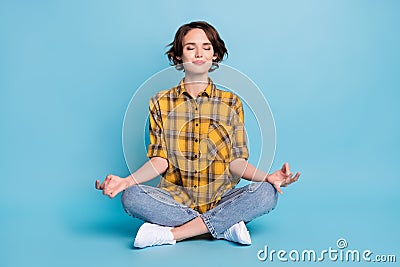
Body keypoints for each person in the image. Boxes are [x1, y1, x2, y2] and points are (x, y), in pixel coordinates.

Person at [95, 21, 300, 248]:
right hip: (175, 200)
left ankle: (173, 234)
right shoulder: (160, 102)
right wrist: (126, 181)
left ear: (215, 55)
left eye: (206, 47)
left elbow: (237, 162)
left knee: (266, 194)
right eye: (191, 47)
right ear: (179, 56)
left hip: (221, 198)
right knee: (131, 196)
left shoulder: (231, 102)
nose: (199, 53)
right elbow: (159, 160)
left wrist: (267, 177)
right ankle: (225, 225)